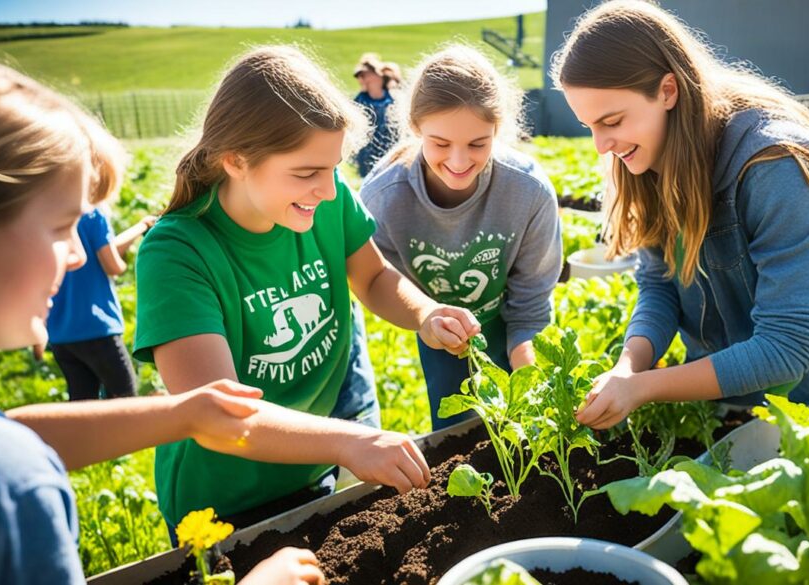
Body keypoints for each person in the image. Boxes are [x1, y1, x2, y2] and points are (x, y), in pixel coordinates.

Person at [0, 59, 328, 585]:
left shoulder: (4, 455)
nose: (77, 256)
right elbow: (6, 452)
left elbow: (5, 431)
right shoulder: (11, 486)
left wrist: (183, 414)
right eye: (59, 228)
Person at [134, 46, 479, 534]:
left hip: (310, 467)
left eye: (331, 168)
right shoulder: (177, 253)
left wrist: (424, 313)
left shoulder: (324, 201)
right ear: (235, 160)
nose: (329, 189)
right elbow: (222, 418)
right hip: (222, 506)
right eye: (306, 172)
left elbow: (374, 277)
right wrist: (348, 442)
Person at [549, 1, 809, 430]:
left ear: (668, 91)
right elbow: (659, 286)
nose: (602, 145)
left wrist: (643, 387)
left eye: (613, 121)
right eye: (590, 126)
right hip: (718, 385)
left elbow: (789, 345)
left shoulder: (775, 164)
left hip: (808, 392)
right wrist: (629, 367)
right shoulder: (644, 159)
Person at [360, 45, 561, 430]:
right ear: (416, 128)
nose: (457, 162)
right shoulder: (382, 198)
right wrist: (428, 321)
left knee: (523, 425)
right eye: (439, 143)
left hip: (512, 323)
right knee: (458, 434)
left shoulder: (528, 192)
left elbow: (530, 305)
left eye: (477, 144)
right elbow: (381, 279)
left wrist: (527, 379)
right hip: (440, 332)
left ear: (497, 131)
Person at [45, 205, 155, 401]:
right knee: (126, 402)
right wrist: (124, 263)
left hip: (61, 334)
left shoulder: (49, 214)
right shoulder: (93, 214)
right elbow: (111, 264)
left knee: (83, 407)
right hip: (96, 327)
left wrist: (140, 226)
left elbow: (104, 249)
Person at [353, 53, 401, 178]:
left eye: (366, 74)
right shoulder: (360, 99)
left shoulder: (393, 97)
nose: (363, 78)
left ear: (377, 75)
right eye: (361, 76)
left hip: (389, 146)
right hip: (368, 149)